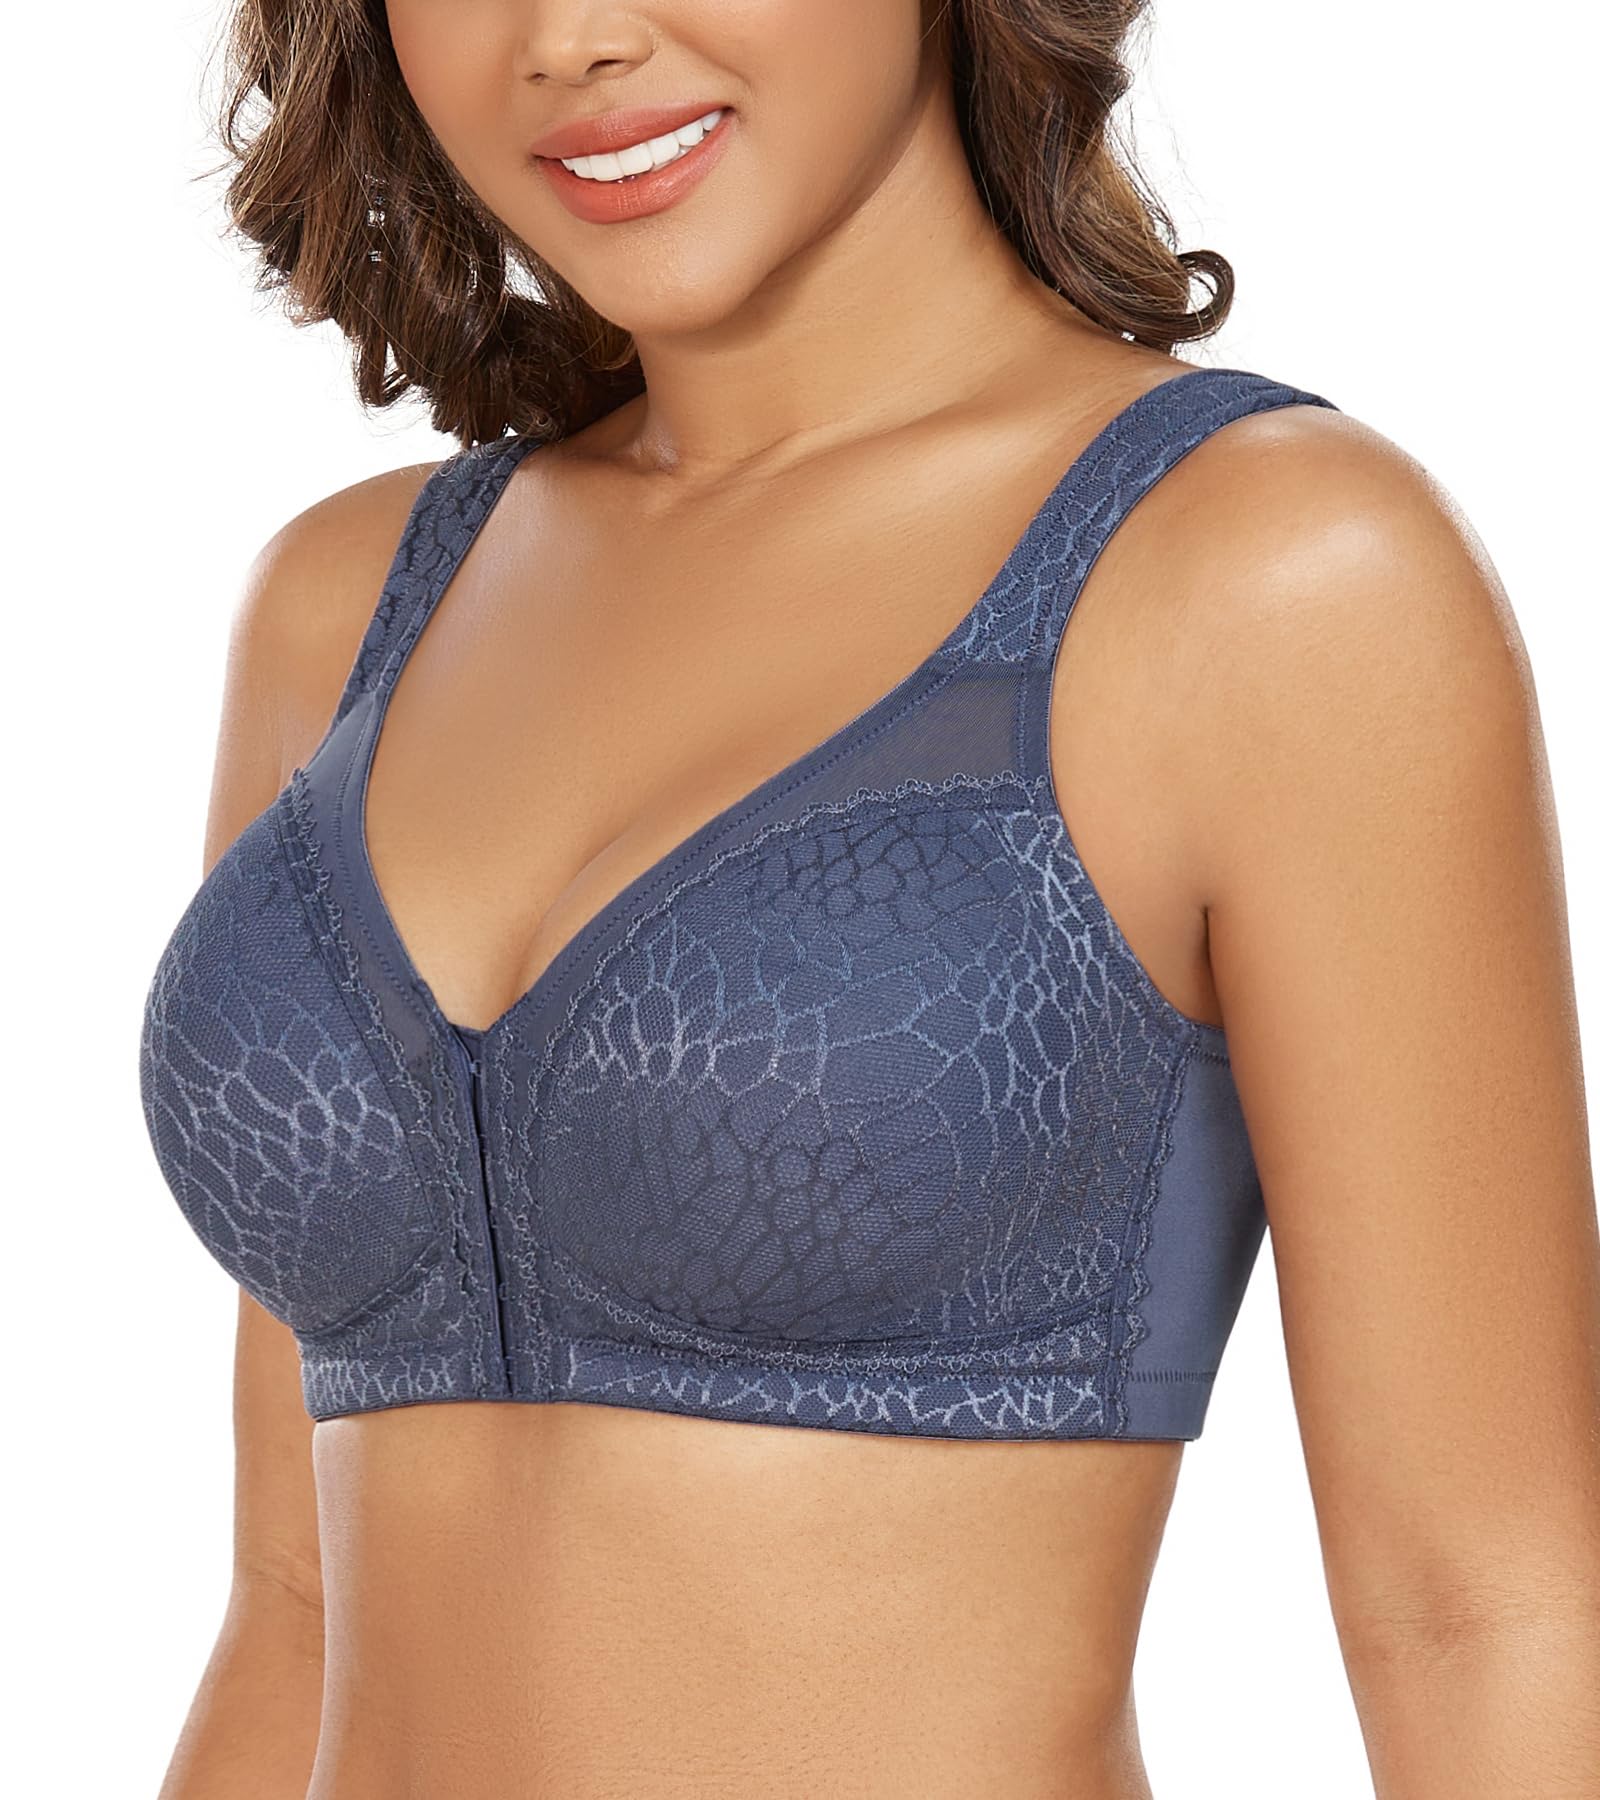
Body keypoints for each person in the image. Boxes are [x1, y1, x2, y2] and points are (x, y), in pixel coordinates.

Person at [138, 2, 1600, 1796]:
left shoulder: (1269, 575)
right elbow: (291, 1606)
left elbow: (1488, 1611)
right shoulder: (348, 610)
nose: (571, 38)